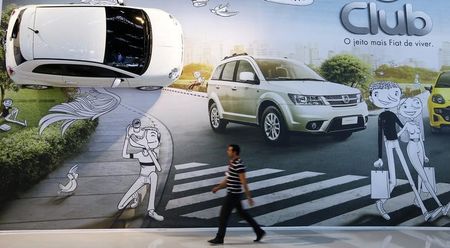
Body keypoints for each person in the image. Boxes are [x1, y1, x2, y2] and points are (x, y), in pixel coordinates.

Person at [370, 81, 440, 221]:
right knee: (393, 181)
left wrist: (412, 123)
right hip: (389, 145)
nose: (389, 99)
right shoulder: (382, 116)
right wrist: (379, 157)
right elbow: (380, 136)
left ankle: (424, 211)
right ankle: (380, 203)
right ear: (373, 98)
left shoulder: (392, 114)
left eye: (394, 94)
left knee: (409, 177)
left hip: (396, 143)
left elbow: (402, 126)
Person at [397, 97, 449, 218]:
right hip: (412, 148)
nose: (412, 110)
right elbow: (399, 134)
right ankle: (439, 205)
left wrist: (424, 154)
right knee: (424, 177)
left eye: (415, 107)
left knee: (421, 178)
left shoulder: (416, 124)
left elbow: (420, 139)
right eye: (407, 108)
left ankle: (417, 199)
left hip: (419, 147)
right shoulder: (407, 124)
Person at [208, 144, 265, 245]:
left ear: (234, 152)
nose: (227, 152)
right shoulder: (232, 163)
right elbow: (228, 179)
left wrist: (249, 196)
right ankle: (259, 231)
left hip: (233, 194)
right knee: (243, 214)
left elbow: (244, 181)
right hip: (234, 194)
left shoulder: (238, 164)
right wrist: (218, 187)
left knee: (223, 216)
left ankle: (219, 238)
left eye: (229, 150)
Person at [118, 119, 164, 221]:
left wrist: (147, 146)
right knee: (120, 206)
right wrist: (127, 137)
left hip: (151, 176)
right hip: (142, 178)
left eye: (154, 136)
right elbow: (124, 155)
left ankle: (151, 210)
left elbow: (158, 167)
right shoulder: (139, 155)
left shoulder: (154, 153)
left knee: (154, 175)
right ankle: (135, 196)